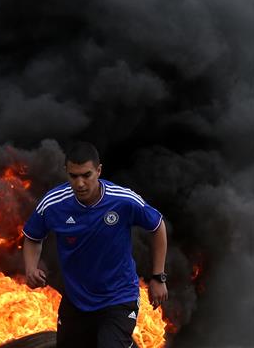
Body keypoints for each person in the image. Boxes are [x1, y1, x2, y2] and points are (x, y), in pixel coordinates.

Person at [22, 142, 168, 348]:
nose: (80, 183)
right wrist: (30, 267)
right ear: (66, 172)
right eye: (73, 176)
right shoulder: (54, 203)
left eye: (86, 175)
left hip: (118, 298)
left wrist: (158, 277)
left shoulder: (123, 200)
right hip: (76, 301)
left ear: (98, 171)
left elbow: (157, 226)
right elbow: (32, 237)